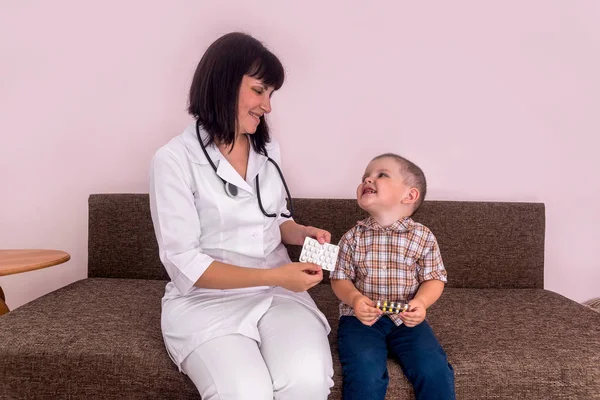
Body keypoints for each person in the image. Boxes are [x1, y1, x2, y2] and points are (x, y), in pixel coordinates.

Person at [149, 32, 334, 400]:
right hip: (207, 303)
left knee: (307, 382)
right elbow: (184, 261)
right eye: (259, 90)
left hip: (277, 295)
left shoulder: (268, 150)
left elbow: (275, 219)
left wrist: (302, 233)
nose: (267, 106)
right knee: (244, 392)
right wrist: (276, 274)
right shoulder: (173, 160)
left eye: (270, 94)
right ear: (224, 83)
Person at [330, 153, 455, 400]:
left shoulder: (423, 237)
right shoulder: (353, 237)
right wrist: (354, 299)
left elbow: (434, 278)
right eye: (365, 176)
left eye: (381, 174)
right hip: (360, 320)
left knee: (434, 370)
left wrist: (421, 303)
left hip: (406, 321)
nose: (368, 179)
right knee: (365, 372)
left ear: (409, 195)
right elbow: (339, 278)